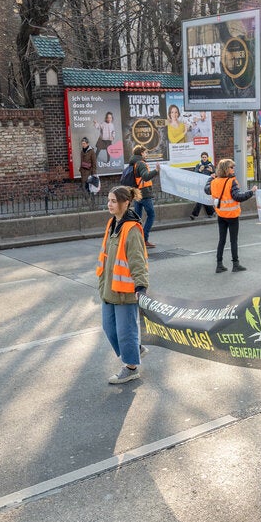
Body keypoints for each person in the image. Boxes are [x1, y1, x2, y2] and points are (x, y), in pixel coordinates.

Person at [97, 185, 150, 384]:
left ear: (125, 203)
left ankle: (131, 367)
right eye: (109, 200)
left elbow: (137, 260)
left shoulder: (132, 229)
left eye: (113, 201)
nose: (109, 204)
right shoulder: (113, 223)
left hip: (125, 291)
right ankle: (134, 351)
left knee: (125, 331)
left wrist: (140, 286)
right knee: (109, 327)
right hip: (109, 288)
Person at [204, 158, 257, 273]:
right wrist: (251, 191)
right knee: (233, 240)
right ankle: (235, 264)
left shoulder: (214, 181)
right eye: (231, 167)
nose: (233, 169)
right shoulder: (231, 182)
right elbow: (238, 197)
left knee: (221, 240)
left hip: (221, 214)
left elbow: (206, 190)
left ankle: (219, 265)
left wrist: (210, 178)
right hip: (232, 215)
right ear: (226, 169)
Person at [127, 145, 160, 248]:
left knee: (138, 218)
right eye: (146, 153)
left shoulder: (134, 163)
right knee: (151, 215)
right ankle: (144, 239)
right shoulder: (141, 163)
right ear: (141, 153)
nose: (146, 155)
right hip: (145, 194)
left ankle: (136, 239)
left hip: (137, 193)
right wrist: (156, 171)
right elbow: (145, 177)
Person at [189, 152, 215, 220]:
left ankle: (194, 214)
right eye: (203, 157)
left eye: (205, 157)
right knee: (203, 199)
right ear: (201, 158)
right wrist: (200, 170)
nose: (204, 158)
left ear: (207, 157)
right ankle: (211, 212)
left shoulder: (210, 165)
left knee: (201, 199)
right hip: (200, 185)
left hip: (208, 185)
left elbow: (214, 175)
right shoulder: (198, 165)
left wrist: (211, 171)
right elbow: (195, 174)